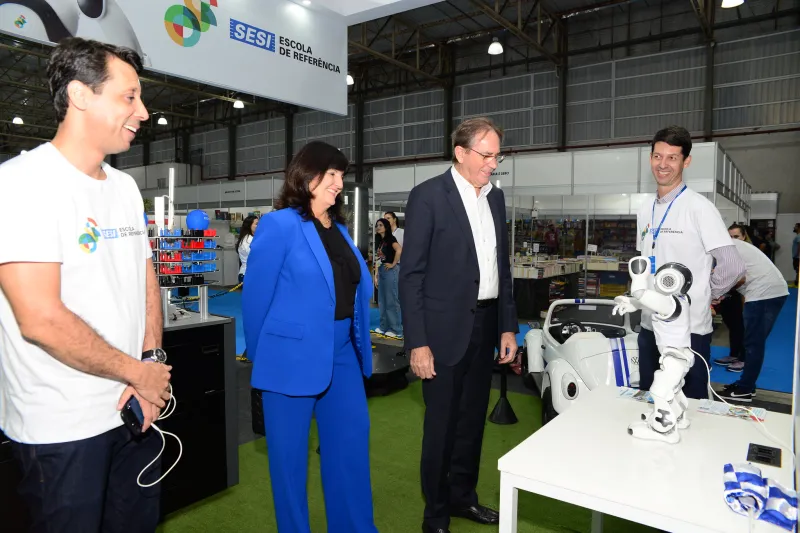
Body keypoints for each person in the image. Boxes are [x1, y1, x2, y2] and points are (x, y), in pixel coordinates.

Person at [0, 37, 172, 532]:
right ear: (80, 95)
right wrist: (137, 374)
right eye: (129, 96)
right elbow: (41, 319)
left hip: (133, 411)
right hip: (61, 428)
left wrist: (151, 363)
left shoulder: (124, 187)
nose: (142, 110)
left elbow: (145, 277)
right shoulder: (23, 184)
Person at [242, 140, 378, 533]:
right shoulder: (280, 224)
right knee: (289, 466)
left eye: (341, 175)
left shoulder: (338, 229)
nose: (338, 183)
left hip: (343, 355)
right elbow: (256, 300)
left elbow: (353, 289)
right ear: (307, 176)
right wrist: (261, 359)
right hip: (289, 360)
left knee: (350, 451)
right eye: (331, 174)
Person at [400, 117, 518, 533]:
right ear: (461, 152)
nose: (493, 163)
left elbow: (500, 267)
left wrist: (507, 326)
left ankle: (463, 498)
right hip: (442, 332)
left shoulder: (496, 199)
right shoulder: (429, 196)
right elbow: (410, 274)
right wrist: (418, 343)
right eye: (486, 155)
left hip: (485, 325)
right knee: (441, 428)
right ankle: (434, 515)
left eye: (496, 155)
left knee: (471, 423)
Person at [636, 125, 745, 400]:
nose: (663, 164)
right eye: (657, 156)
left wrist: (710, 295)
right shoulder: (644, 209)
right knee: (653, 401)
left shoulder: (699, 208)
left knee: (692, 409)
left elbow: (732, 265)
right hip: (650, 326)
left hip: (689, 331)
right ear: (650, 158)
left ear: (686, 161)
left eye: (672, 157)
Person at [719, 237, 789, 401]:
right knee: (752, 341)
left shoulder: (722, 247)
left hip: (764, 293)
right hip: (768, 291)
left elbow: (737, 277)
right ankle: (747, 384)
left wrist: (715, 293)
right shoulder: (728, 245)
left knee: (753, 343)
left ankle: (745, 389)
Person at [373, 217, 403, 338]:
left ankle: (396, 330)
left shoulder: (391, 239)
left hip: (390, 271)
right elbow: (379, 259)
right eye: (377, 225)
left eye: (380, 225)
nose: (378, 227)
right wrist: (376, 275)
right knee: (382, 300)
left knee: (391, 300)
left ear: (386, 227)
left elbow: (399, 250)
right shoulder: (380, 241)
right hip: (382, 271)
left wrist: (394, 264)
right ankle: (384, 326)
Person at [237, 215, 259, 284]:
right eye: (256, 224)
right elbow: (255, 255)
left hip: (252, 273)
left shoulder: (253, 238)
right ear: (249, 225)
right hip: (247, 273)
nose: (259, 226)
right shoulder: (247, 240)